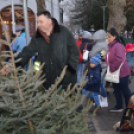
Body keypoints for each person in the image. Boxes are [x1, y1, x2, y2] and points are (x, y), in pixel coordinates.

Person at [0, 10, 79, 90]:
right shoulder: (37, 37)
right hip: (48, 81)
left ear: (49, 21)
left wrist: (70, 70)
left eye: (41, 22)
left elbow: (75, 52)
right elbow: (26, 52)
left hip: (66, 81)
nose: (38, 25)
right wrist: (13, 66)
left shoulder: (64, 32)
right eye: (37, 22)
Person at [106, 27, 132, 112]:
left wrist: (112, 68)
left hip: (122, 72)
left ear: (114, 37)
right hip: (115, 72)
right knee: (117, 90)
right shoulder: (111, 46)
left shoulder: (118, 46)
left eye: (109, 37)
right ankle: (119, 106)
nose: (108, 39)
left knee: (125, 90)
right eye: (107, 37)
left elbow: (120, 58)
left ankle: (130, 108)